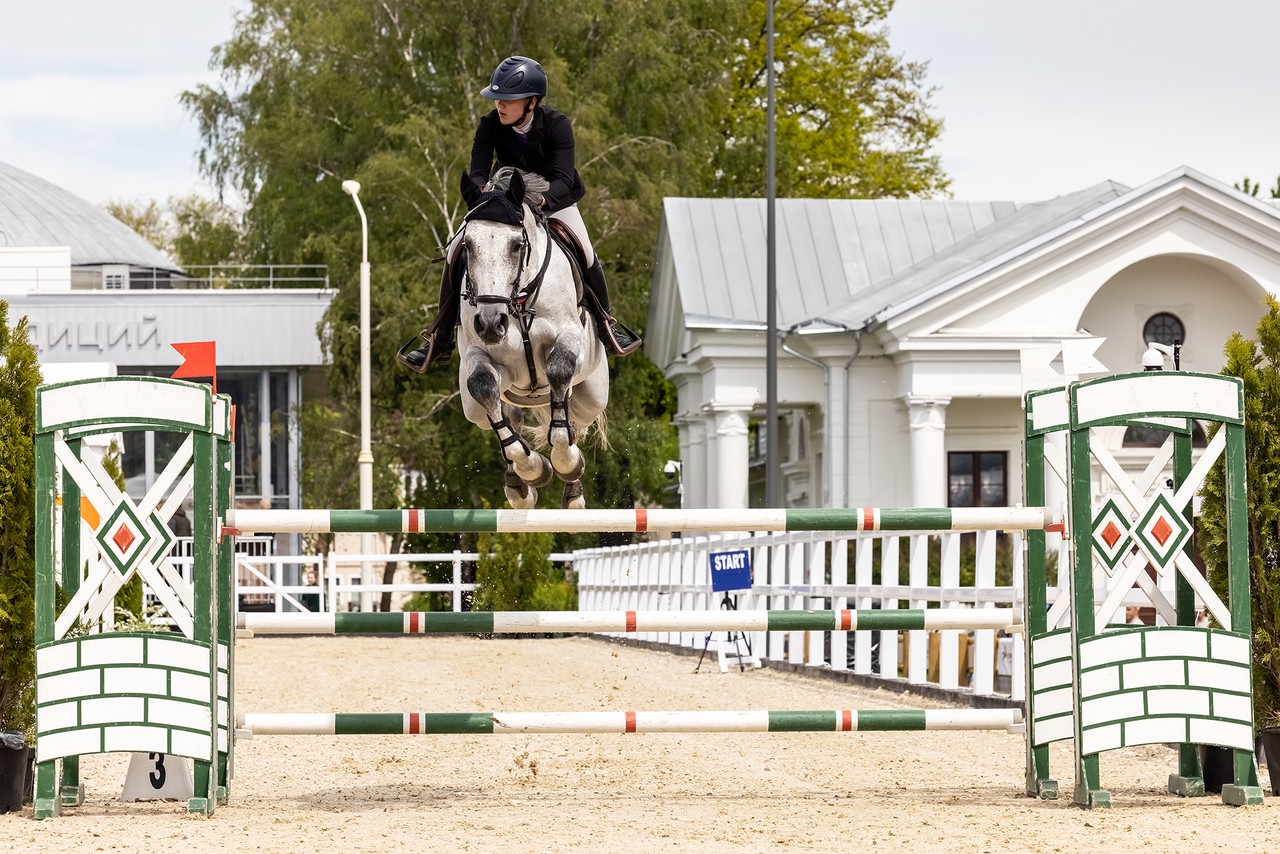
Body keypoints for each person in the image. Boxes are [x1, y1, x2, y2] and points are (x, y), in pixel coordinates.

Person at [399, 55, 641, 371]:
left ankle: (608, 326)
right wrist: (480, 192)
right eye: (497, 98)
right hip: (505, 201)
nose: (500, 105)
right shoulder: (489, 126)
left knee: (585, 250)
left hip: (554, 200)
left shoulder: (557, 125)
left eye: (508, 100)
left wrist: (540, 201)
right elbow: (477, 171)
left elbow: (564, 179)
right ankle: (440, 338)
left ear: (531, 102)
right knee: (456, 250)